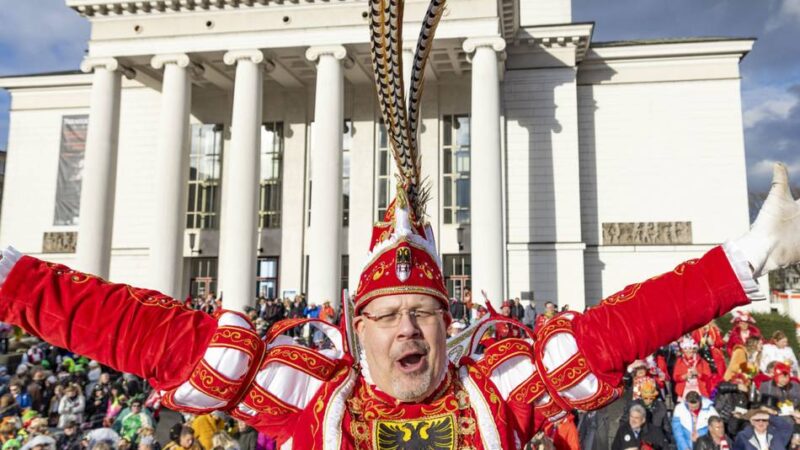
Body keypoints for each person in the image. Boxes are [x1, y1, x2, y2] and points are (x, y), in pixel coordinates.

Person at [0, 2, 799, 448]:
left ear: (449, 324)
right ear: (358, 327)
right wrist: (14, 281)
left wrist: (748, 256)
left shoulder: (495, 395)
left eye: (423, 311)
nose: (407, 328)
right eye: (388, 315)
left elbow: (607, 336)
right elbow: (151, 336)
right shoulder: (310, 400)